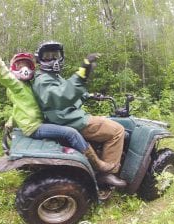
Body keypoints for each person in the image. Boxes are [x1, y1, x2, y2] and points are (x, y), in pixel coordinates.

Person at [0, 32, 115, 172]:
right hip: (35, 127)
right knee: (71, 133)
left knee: (68, 131)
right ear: (13, 68)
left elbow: (21, 107)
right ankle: (98, 165)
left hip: (39, 123)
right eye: (20, 65)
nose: (24, 69)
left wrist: (10, 122)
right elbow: (1, 72)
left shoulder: (29, 86)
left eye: (27, 65)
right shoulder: (16, 85)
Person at [32, 41, 126, 187]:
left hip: (68, 116)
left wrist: (88, 95)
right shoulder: (42, 80)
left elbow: (68, 91)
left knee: (103, 120)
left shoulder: (52, 76)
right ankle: (108, 173)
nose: (53, 60)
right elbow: (61, 96)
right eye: (48, 57)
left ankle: (100, 158)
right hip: (69, 120)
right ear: (39, 59)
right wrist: (81, 75)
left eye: (56, 55)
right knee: (117, 131)